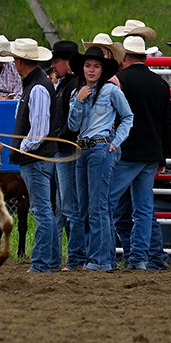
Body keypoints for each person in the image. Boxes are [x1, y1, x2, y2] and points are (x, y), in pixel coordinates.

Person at [108, 36, 171, 270]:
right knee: (144, 208)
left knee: (107, 201)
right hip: (151, 154)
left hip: (125, 152)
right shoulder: (160, 84)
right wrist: (162, 156)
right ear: (145, 57)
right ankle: (139, 259)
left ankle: (107, 256)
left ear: (125, 57)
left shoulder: (118, 81)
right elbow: (169, 124)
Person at [67, 46, 133, 272]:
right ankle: (100, 258)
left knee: (97, 206)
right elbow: (72, 125)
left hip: (101, 147)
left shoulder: (112, 91)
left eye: (96, 66)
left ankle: (100, 259)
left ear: (102, 69)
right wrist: (78, 101)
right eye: (88, 66)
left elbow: (127, 117)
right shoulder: (78, 93)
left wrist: (116, 141)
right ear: (82, 69)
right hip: (82, 149)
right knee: (85, 206)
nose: (91, 70)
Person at [8, 38, 58, 273]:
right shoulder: (38, 84)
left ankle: (41, 264)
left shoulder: (37, 87)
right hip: (38, 159)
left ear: (20, 62)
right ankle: (52, 260)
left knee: (41, 211)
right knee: (44, 209)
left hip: (35, 160)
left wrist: (21, 147)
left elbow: (38, 131)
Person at [49, 40, 86, 270]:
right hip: (66, 148)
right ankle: (75, 256)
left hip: (68, 149)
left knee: (69, 207)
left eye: (57, 61)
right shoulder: (69, 85)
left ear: (68, 62)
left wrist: (58, 136)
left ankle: (75, 257)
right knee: (67, 207)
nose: (54, 65)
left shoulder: (71, 86)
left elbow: (72, 123)